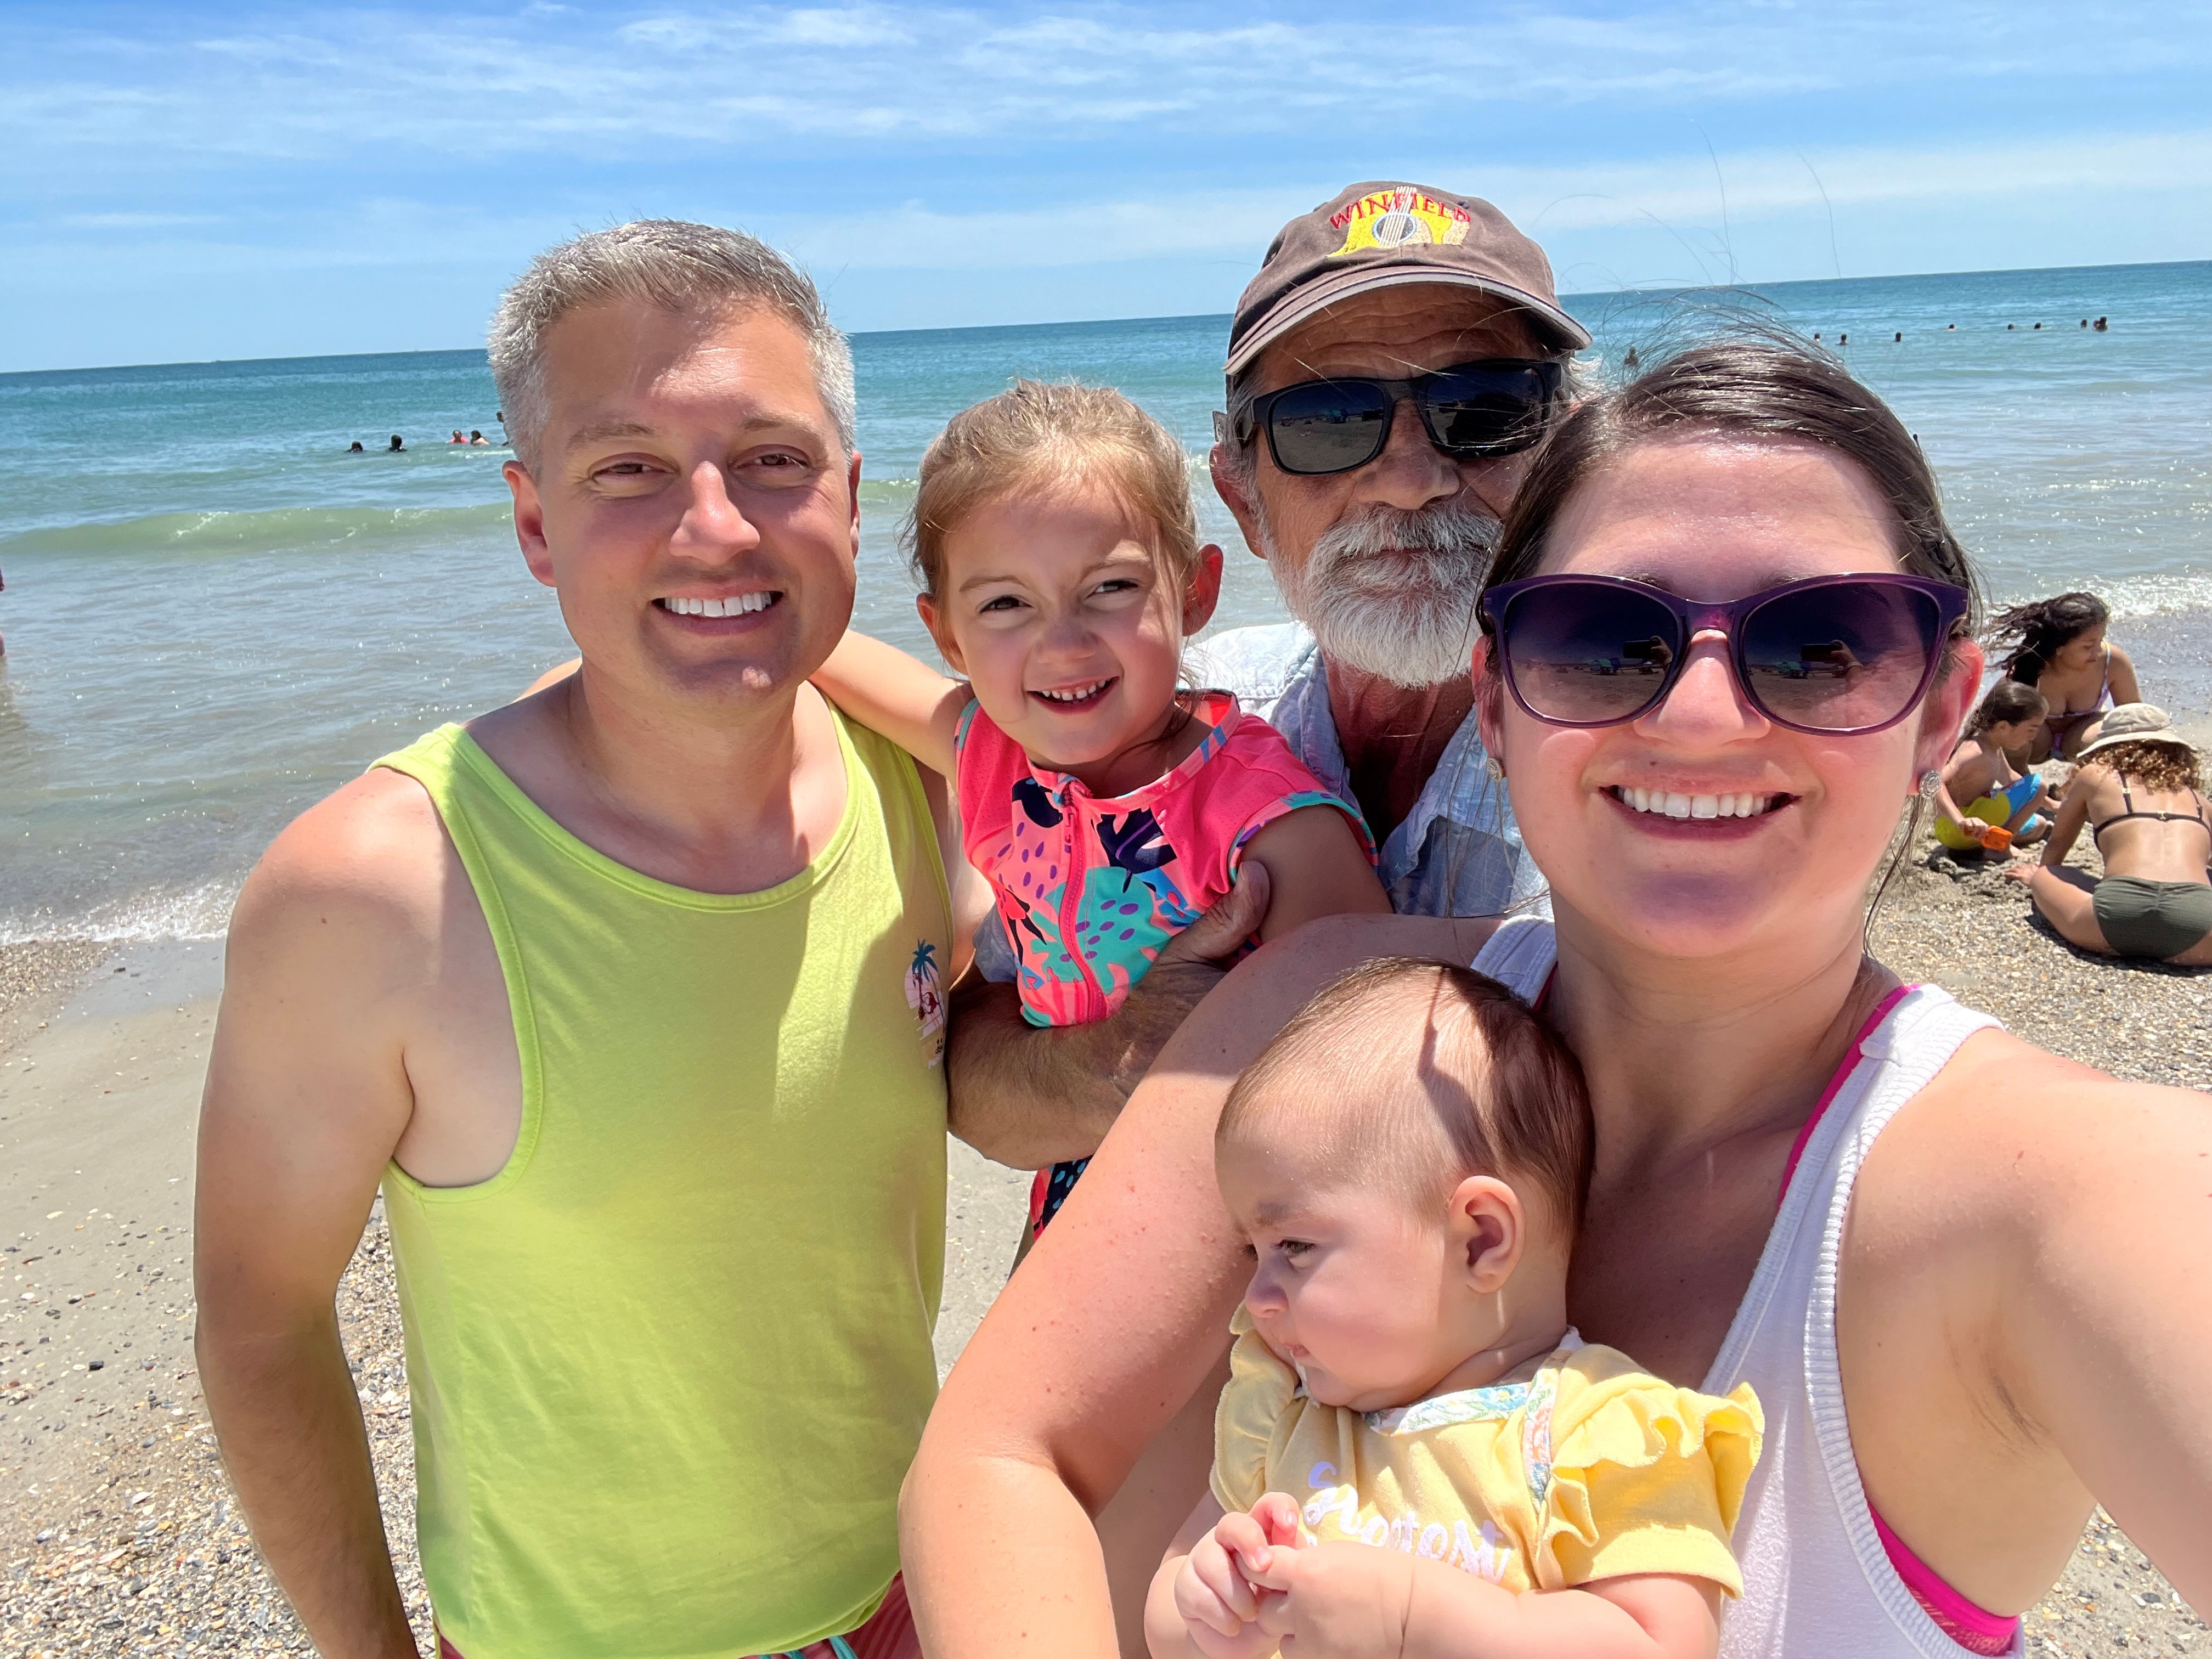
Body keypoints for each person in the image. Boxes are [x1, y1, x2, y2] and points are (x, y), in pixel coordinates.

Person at [899, 341, 2212, 1659]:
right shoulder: (1325, 1004)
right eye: (1601, 639)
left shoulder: (2069, 1193)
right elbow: (1005, 1455)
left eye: (1821, 644)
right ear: (1498, 699)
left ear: (1940, 718)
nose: (1701, 717)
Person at [196, 220, 985, 1659]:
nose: (716, 526)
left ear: (852, 499)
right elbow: (259, 1325)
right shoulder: (377, 893)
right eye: (627, 467)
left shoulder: (937, 803)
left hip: (903, 1596)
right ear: (532, 521)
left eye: (772, 459)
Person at [931, 183, 1592, 1635]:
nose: (1410, 476)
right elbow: (980, 1071)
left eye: (1486, 411)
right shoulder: (1149, 711)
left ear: (1567, 460)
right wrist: (1115, 1062)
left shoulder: (1639, 778)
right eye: (1332, 421)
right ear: (1240, 487)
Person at [812, 381, 1386, 1238]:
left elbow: (1369, 1052)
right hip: (1077, 1177)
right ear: (948, 636)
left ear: (1194, 591)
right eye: (1006, 603)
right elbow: (820, 648)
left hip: (1244, 1215)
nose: (1063, 642)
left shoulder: (1270, 823)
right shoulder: (990, 752)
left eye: (1110, 587)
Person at [1149, 959, 1762, 1659]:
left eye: (1295, 1245)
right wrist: (1204, 1602)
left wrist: (1416, 1621)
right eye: (1252, 1254)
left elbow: (1666, 1644)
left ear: (1480, 1239)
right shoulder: (1285, 1426)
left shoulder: (1594, 1433)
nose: (1256, 1297)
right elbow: (1168, 1618)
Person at [2007, 704, 2212, 964]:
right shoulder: (2200, 802)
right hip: (2199, 931)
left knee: (2049, 875)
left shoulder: (2094, 776)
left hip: (2112, 920)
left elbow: (2058, 845)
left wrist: (2043, 882)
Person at [1988, 591, 2141, 762]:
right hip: (2036, 745)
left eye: (2101, 640)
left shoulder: (2113, 662)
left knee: (2118, 730)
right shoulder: (2029, 667)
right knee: (2008, 727)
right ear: (2059, 648)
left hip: (2082, 738)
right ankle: (2022, 784)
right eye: (2088, 646)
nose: (2098, 651)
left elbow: (2135, 718)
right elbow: (1986, 725)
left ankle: (2083, 783)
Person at [1931, 680, 2052, 853]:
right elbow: (1935, 784)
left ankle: (1985, 846)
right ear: (2003, 727)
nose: (2033, 737)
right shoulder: (1975, 751)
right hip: (1960, 827)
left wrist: (2051, 805)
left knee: (2038, 825)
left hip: (1973, 829)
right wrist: (1960, 821)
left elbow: (2013, 781)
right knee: (2041, 784)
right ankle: (2001, 847)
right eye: (2031, 730)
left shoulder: (1994, 748)